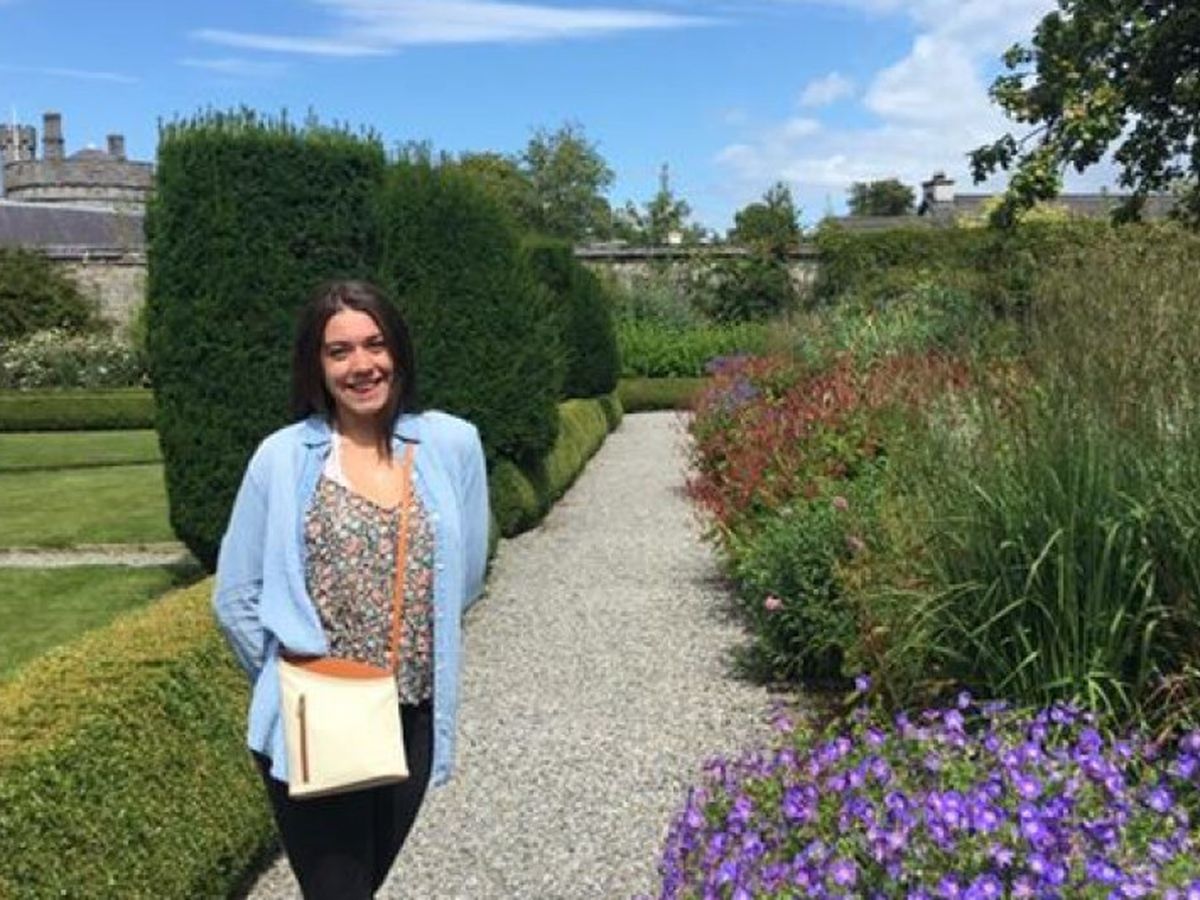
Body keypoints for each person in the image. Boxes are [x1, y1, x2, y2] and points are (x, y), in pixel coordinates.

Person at [212, 279, 490, 899]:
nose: (362, 365)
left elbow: (466, 575)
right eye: (339, 351)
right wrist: (289, 681)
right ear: (317, 365)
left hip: (410, 716)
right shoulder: (282, 458)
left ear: (399, 351)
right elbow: (235, 597)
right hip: (318, 716)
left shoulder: (451, 444)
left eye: (375, 344)